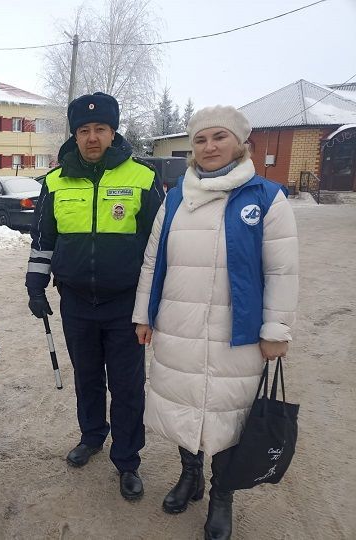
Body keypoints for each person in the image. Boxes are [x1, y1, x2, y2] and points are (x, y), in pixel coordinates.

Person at [132, 106, 299, 539]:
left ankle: (222, 495)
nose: (209, 147)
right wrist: (143, 315)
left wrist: (275, 330)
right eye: (201, 140)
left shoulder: (265, 198)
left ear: (240, 143)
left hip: (237, 332)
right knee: (185, 402)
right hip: (179, 322)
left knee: (229, 413)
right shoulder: (174, 198)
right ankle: (191, 476)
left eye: (219, 137)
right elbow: (154, 261)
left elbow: (282, 270)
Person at [25, 92, 162, 500]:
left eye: (100, 129)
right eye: (84, 130)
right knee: (87, 377)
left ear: (113, 131)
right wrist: (35, 284)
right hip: (77, 302)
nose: (92, 137)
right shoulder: (54, 181)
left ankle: (127, 459)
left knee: (126, 384)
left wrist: (154, 300)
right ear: (75, 134)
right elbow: (43, 240)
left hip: (125, 303)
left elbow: (158, 246)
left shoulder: (143, 178)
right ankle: (91, 436)